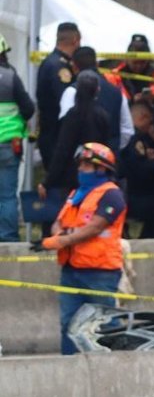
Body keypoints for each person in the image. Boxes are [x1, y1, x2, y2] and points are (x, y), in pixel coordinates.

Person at [33, 143, 125, 354]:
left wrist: (61, 241)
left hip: (100, 272)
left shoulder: (111, 195)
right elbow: (60, 222)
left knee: (104, 326)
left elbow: (94, 227)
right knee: (68, 324)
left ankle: (112, 369)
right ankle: (71, 368)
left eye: (86, 164)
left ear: (101, 168)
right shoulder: (76, 194)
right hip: (71, 269)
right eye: (80, 164)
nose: (80, 169)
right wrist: (58, 235)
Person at [47, 72, 116, 202]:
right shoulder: (103, 116)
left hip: (71, 174)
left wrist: (49, 180)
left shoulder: (72, 115)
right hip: (97, 171)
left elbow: (63, 148)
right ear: (97, 90)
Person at [58, 47, 133, 150]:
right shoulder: (118, 93)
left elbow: (66, 130)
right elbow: (127, 130)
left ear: (74, 67)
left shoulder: (71, 92)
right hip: (110, 157)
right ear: (97, 64)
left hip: (81, 158)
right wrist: (113, 148)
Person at [0, 33, 37, 242]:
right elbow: (29, 109)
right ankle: (7, 239)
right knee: (6, 196)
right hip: (8, 145)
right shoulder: (10, 76)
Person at [34, 22, 79, 167]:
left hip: (50, 133)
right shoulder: (59, 67)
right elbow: (66, 101)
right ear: (75, 40)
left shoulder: (50, 62)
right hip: (56, 136)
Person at [119, 101, 154, 239]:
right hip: (136, 196)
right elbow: (139, 170)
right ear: (143, 117)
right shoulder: (134, 139)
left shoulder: (127, 135)